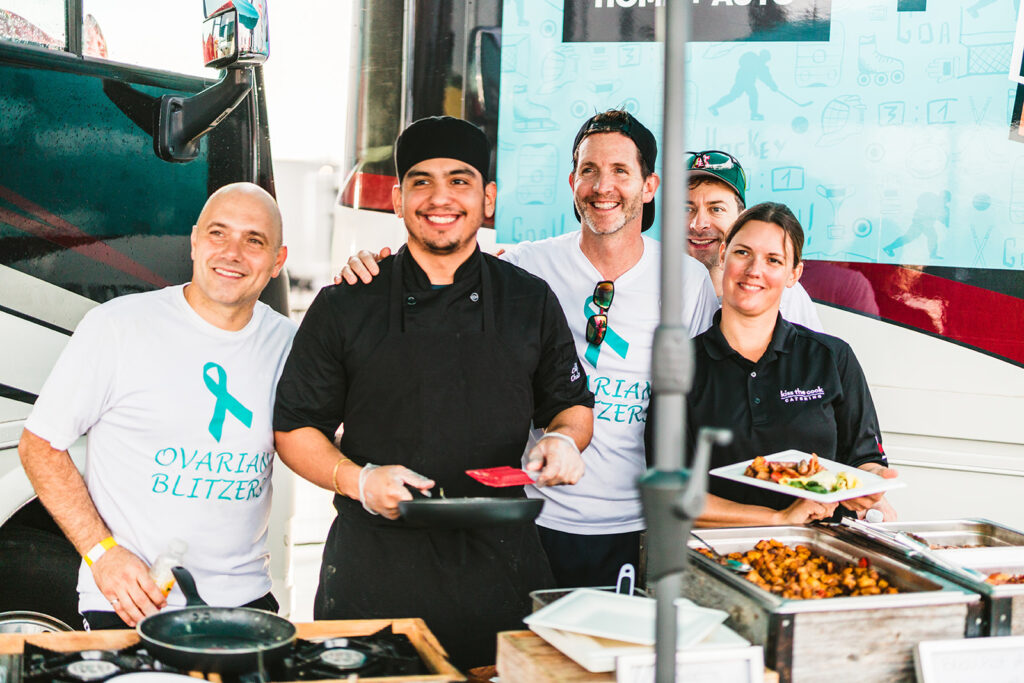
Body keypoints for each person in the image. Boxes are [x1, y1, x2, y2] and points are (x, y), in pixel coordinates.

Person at [336, 110, 721, 590]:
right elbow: (439, 271)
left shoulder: (686, 282)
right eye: (589, 170)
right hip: (533, 517)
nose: (603, 186)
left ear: (649, 185)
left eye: (621, 171)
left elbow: (708, 396)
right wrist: (373, 268)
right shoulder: (525, 267)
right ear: (572, 181)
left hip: (636, 524)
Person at [272, 116, 594, 670]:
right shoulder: (346, 302)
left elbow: (570, 406)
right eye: (421, 181)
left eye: (460, 180)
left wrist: (565, 441)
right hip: (373, 572)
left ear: (487, 198)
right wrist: (359, 480)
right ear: (397, 199)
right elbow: (296, 428)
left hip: (500, 570)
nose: (439, 197)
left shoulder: (528, 300)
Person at [18, 183, 295, 629]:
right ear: (194, 241)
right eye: (218, 234)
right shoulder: (119, 327)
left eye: (254, 240)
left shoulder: (290, 345)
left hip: (242, 603)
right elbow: (39, 446)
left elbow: (324, 441)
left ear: (278, 260)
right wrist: (102, 555)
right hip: (129, 600)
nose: (232, 253)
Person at [683, 202, 897, 526]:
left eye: (773, 260)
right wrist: (779, 517)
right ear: (724, 254)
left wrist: (873, 482)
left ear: (793, 273)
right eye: (743, 253)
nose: (754, 270)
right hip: (715, 554)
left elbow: (864, 460)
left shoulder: (832, 358)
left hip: (819, 553)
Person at [685, 149, 823, 331]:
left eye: (716, 209)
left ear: (740, 218)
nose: (698, 224)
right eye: (687, 209)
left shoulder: (785, 294)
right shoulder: (655, 284)